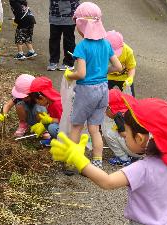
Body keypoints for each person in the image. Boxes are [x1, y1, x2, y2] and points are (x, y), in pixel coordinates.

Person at [50, 93, 167, 225]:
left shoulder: (142, 168)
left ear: (139, 138)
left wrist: (79, 160)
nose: (124, 135)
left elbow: (107, 182)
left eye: (126, 132)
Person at [63, 2, 122, 168]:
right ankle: (97, 161)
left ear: (81, 25)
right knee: (94, 128)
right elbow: (118, 67)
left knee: (76, 127)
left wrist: (69, 74)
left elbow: (80, 73)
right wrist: (103, 72)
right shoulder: (106, 43)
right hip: (103, 89)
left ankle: (72, 161)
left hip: (86, 91)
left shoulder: (82, 46)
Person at [102, 89, 142, 166]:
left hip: (134, 149)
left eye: (105, 109)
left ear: (110, 108)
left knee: (109, 133)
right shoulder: (129, 111)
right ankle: (134, 156)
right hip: (143, 148)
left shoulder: (118, 117)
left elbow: (124, 134)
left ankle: (123, 158)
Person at [29, 76, 63, 146]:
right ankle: (54, 140)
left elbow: (66, 122)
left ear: (41, 98)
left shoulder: (58, 104)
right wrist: (43, 124)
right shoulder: (50, 103)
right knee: (45, 120)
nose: (38, 104)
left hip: (72, 130)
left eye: (37, 101)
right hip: (61, 126)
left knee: (52, 128)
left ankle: (63, 143)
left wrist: (51, 120)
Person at [47, 0, 80, 71]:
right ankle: (53, 61)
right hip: (55, 14)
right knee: (54, 39)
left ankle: (69, 63)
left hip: (70, 15)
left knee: (69, 40)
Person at [105, 30, 137, 96]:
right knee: (102, 97)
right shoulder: (101, 51)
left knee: (130, 98)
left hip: (124, 78)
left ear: (122, 45)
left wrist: (130, 78)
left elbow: (131, 68)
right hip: (107, 77)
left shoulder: (128, 51)